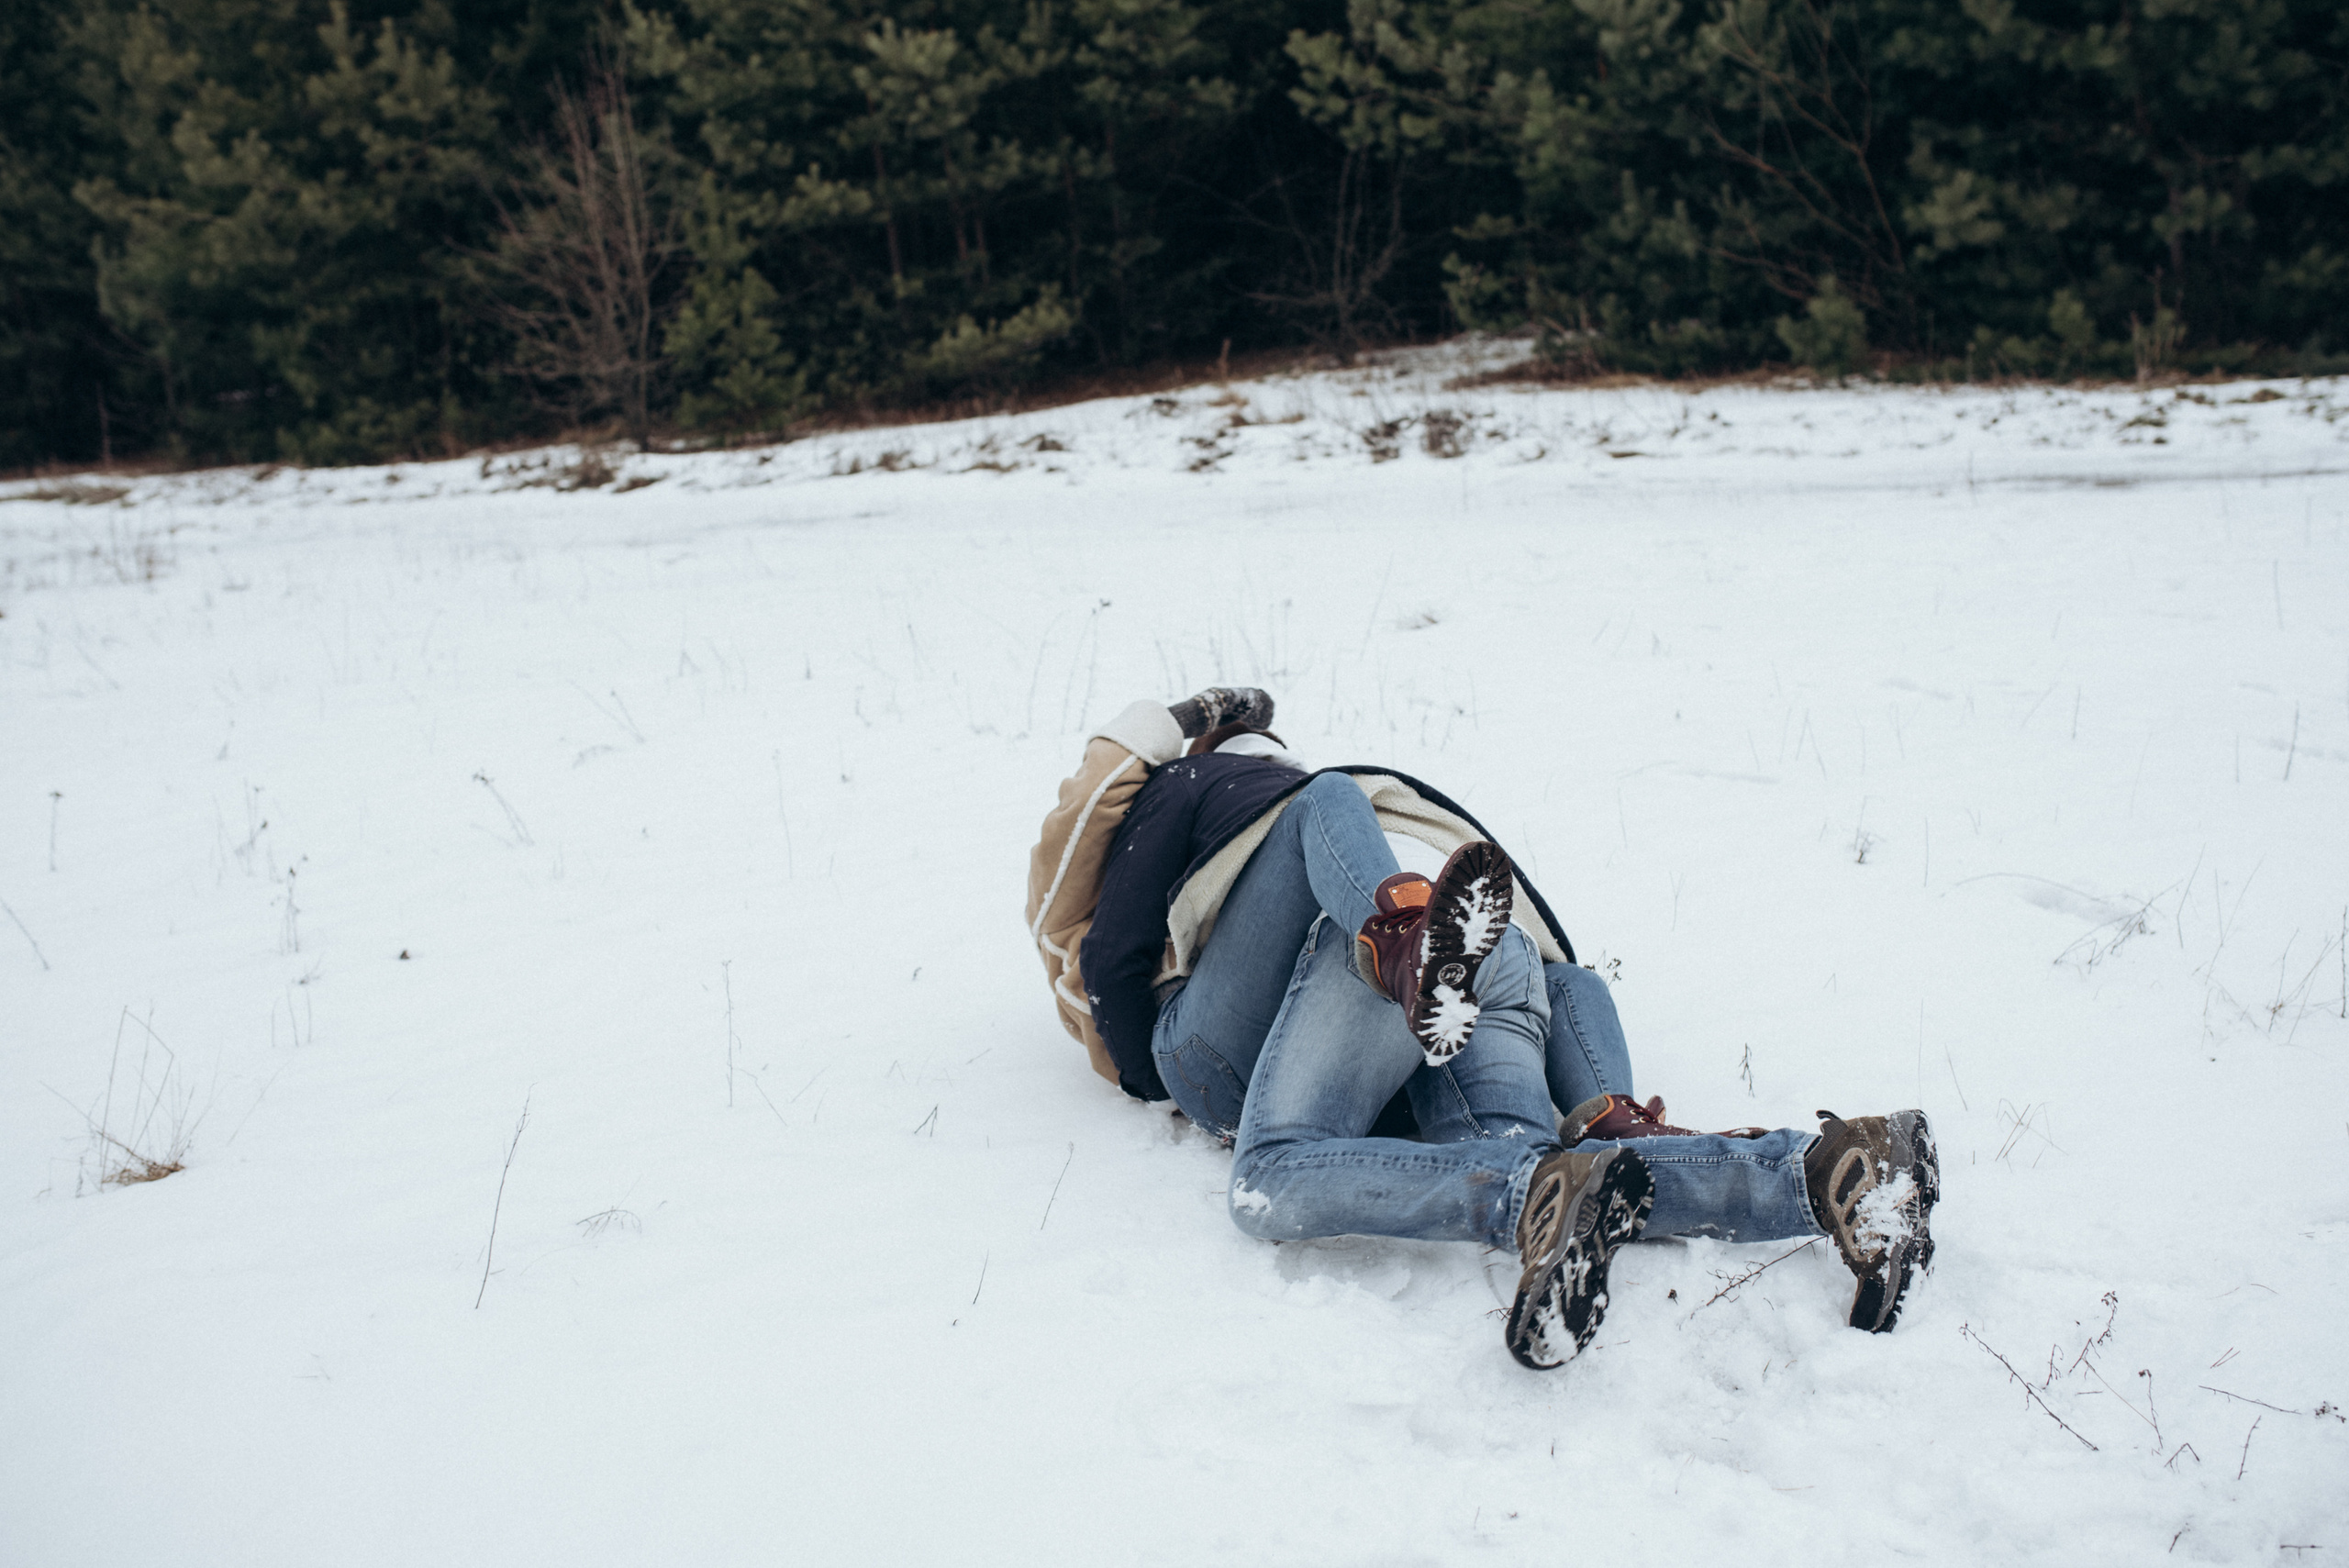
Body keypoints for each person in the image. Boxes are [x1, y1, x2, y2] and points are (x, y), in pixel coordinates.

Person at [1026, 688, 1940, 1366]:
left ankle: (1409, 958)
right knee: (1543, 1171)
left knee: (1265, 1179)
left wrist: (1152, 1075)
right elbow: (1566, 975)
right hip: (1488, 974)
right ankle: (1834, 1172)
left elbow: (1111, 957)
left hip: (1363, 971)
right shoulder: (1405, 811)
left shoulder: (1204, 780)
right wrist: (1602, 1100)